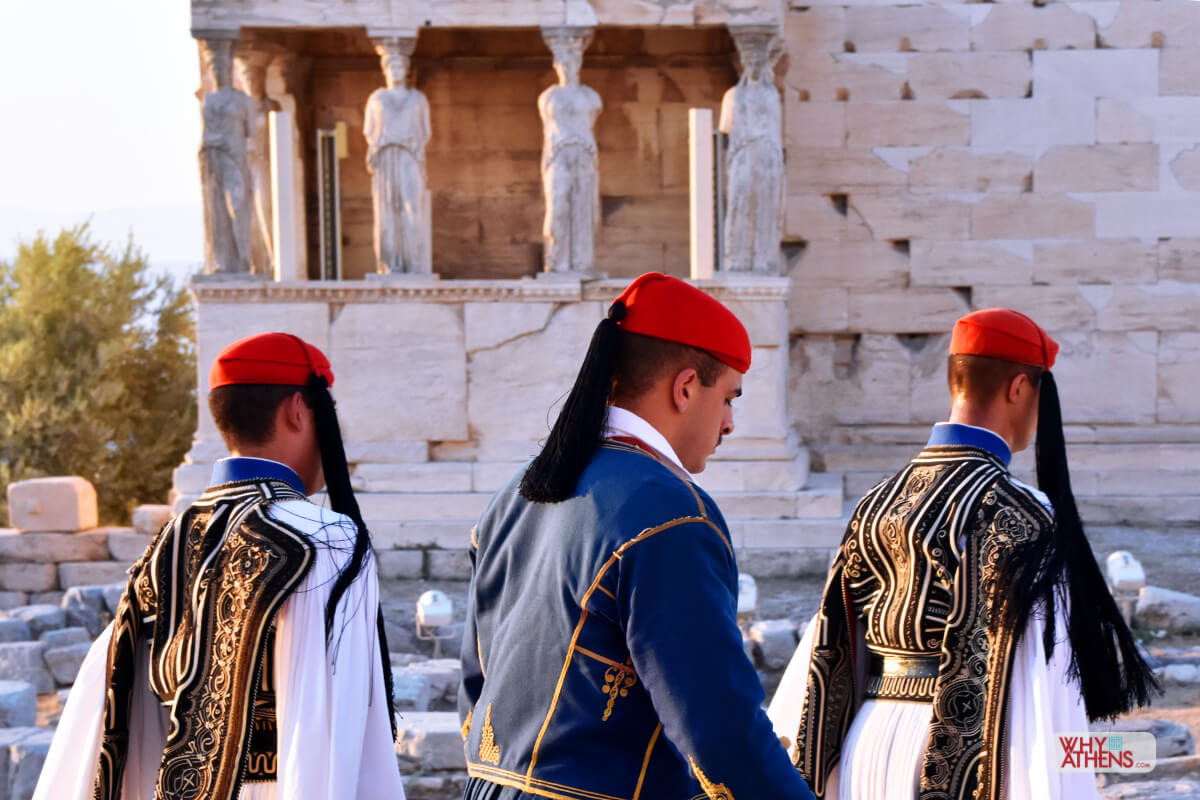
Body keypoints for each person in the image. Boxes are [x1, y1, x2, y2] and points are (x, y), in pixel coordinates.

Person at [768, 308, 1159, 800]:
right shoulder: (1023, 513)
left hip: (862, 745)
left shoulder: (876, 502)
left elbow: (829, 647)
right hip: (969, 753)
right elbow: (1045, 677)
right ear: (1019, 388)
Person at [459, 272, 816, 800]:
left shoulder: (515, 491)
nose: (729, 423)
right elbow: (719, 728)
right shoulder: (671, 514)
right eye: (727, 398)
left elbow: (476, 685)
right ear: (686, 387)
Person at [34, 332, 404, 800]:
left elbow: (107, 712)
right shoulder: (326, 539)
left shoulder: (167, 542)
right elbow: (339, 727)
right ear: (297, 410)